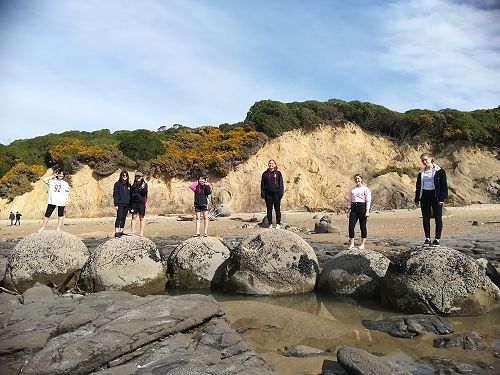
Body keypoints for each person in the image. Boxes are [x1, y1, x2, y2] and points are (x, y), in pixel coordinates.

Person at [415, 152, 448, 246]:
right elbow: (418, 186)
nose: (424, 162)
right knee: (425, 218)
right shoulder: (421, 172)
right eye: (422, 160)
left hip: (436, 196)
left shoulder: (440, 171)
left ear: (431, 158)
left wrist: (442, 198)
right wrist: (417, 198)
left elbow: (444, 186)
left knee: (438, 217)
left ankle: (437, 239)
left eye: (426, 159)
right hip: (425, 195)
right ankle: (427, 238)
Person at [347, 174, 372, 250]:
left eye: (358, 178)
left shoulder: (365, 189)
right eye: (355, 179)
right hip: (354, 207)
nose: (357, 180)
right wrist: (348, 210)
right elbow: (350, 200)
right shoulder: (352, 189)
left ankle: (362, 244)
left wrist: (367, 211)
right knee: (351, 226)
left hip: (362, 207)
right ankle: (352, 243)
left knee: (363, 226)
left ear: (361, 179)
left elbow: (368, 200)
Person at [260, 159, 284, 229]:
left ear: (275, 165)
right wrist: (263, 194)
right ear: (268, 165)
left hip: (276, 194)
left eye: (272, 163)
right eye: (270, 163)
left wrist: (280, 193)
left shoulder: (278, 173)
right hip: (268, 194)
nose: (271, 164)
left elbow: (281, 184)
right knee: (269, 209)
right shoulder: (265, 174)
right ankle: (270, 224)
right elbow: (262, 185)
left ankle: (278, 224)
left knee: (277, 209)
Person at [113, 170, 131, 237]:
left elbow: (130, 195)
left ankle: (121, 231)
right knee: (119, 217)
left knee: (124, 218)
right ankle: (116, 231)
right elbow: (115, 194)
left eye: (126, 175)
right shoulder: (117, 184)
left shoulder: (129, 185)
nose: (125, 177)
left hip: (127, 204)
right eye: (123, 175)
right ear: (121, 176)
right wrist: (116, 204)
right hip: (120, 204)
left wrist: (130, 205)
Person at [129, 171, 148, 236]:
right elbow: (130, 194)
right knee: (133, 217)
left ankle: (141, 233)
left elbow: (144, 194)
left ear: (142, 177)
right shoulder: (133, 185)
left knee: (141, 218)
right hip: (134, 203)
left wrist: (142, 188)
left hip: (141, 203)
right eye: (137, 176)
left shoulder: (145, 185)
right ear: (135, 177)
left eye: (139, 176)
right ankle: (132, 232)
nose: (138, 177)